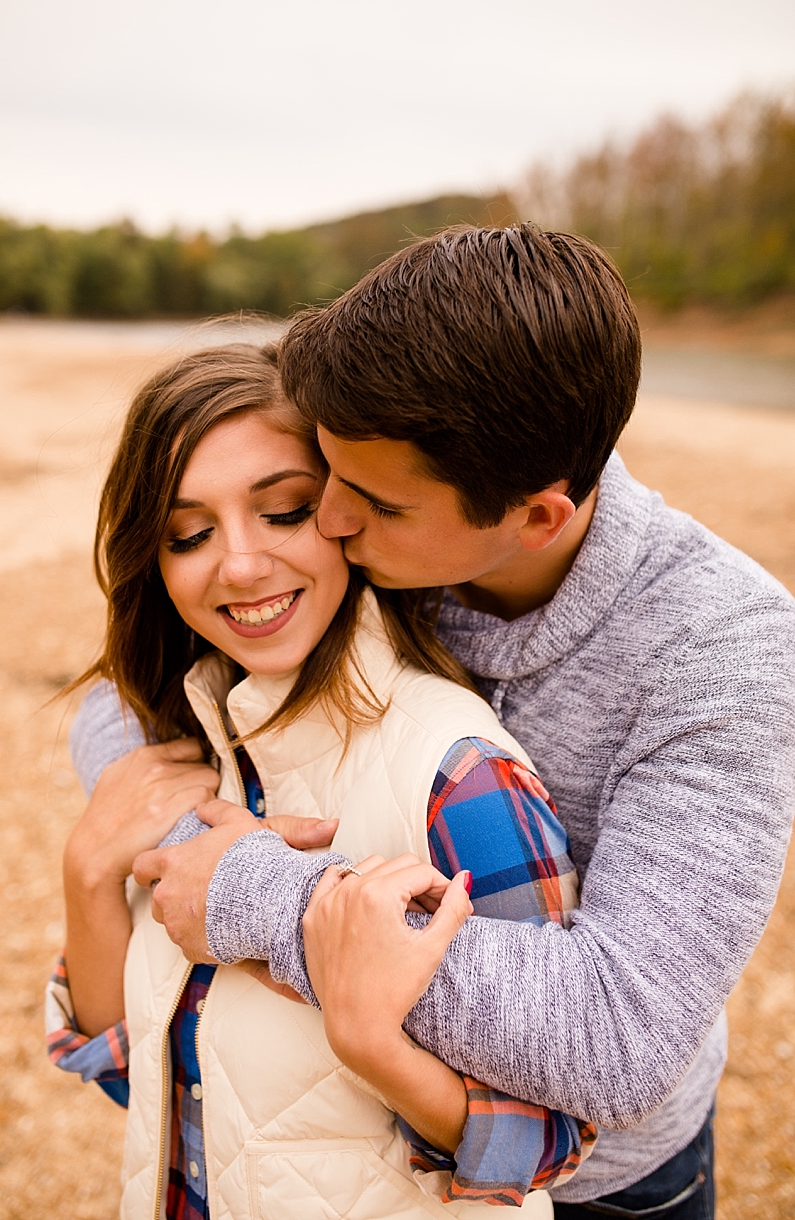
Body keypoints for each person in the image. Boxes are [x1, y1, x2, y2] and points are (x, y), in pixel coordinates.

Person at [81, 226, 795, 1219]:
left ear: (535, 519)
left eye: (365, 500)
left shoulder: (727, 646)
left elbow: (620, 1031)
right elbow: (138, 682)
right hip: (369, 1147)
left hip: (610, 1177)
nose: (326, 518)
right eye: (321, 480)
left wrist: (256, 890)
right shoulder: (389, 494)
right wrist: (177, 835)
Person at [47, 341, 596, 1219]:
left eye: (285, 512)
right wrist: (88, 875)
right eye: (189, 534)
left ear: (351, 512)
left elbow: (550, 1141)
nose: (238, 565)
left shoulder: (456, 771)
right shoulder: (196, 739)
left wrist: (372, 1042)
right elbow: (140, 1078)